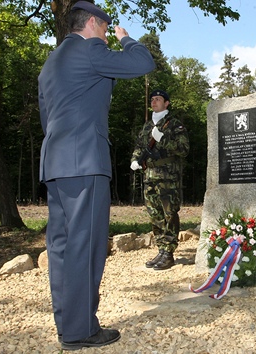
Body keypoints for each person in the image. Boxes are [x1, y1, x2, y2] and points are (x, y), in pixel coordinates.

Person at [38, 1, 155, 350]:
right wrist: (127, 38)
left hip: (56, 164)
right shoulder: (90, 49)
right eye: (105, 28)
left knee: (61, 248)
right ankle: (80, 331)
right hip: (84, 162)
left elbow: (48, 118)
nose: (106, 34)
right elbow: (142, 63)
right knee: (85, 247)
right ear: (92, 22)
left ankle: (68, 324)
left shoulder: (50, 63)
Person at [130, 89, 189, 270]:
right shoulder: (147, 126)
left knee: (169, 213)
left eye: (158, 99)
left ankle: (169, 253)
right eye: (152, 99)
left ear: (167, 103)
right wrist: (135, 159)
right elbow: (140, 147)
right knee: (155, 215)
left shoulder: (174, 125)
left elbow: (184, 149)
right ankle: (161, 249)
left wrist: (163, 141)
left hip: (167, 177)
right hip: (149, 177)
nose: (154, 102)